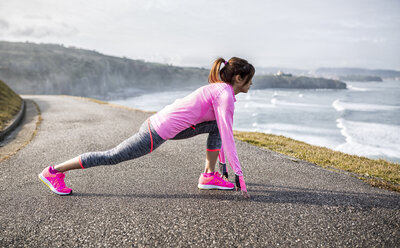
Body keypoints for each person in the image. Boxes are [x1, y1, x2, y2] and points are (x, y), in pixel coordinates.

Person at [39, 57, 255, 199]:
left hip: (167, 126)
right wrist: (239, 177)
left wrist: (226, 168)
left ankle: (209, 175)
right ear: (238, 78)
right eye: (249, 79)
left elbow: (222, 130)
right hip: (155, 132)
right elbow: (228, 136)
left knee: (216, 125)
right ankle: (53, 172)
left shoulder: (220, 90)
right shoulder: (225, 94)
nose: (251, 84)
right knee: (112, 156)